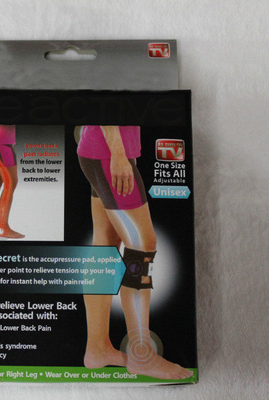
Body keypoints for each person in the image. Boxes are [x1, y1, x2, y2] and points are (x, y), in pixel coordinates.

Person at [77, 125, 192, 380]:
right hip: (108, 151)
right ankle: (142, 357)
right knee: (141, 246)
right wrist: (119, 153)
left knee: (105, 246)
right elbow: (104, 104)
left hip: (98, 149)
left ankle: (97, 348)